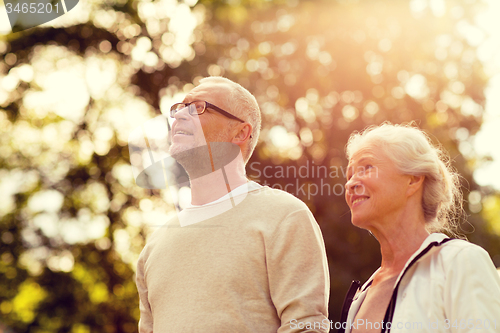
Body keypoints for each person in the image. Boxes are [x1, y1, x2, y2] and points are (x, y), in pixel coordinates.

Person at [135, 76, 330, 333]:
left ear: (240, 133)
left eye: (198, 107)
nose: (180, 115)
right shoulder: (154, 245)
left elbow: (306, 326)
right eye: (179, 108)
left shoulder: (284, 216)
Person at [339, 123, 500, 333]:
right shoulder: (363, 294)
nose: (350, 183)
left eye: (367, 167)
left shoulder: (461, 262)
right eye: (350, 174)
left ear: (413, 179)